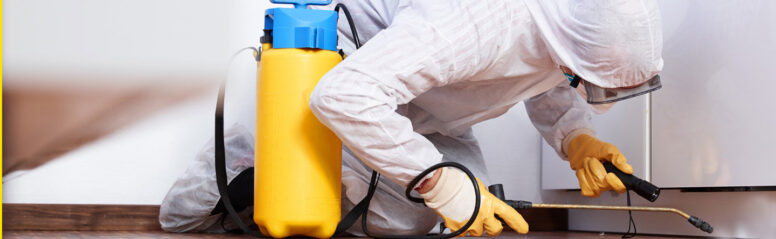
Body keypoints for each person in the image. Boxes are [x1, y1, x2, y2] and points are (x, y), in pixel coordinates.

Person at [160, 0, 663, 237]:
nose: (576, 79)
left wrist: (576, 138)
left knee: (466, 215)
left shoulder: (561, 28)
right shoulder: (479, 21)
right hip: (355, 72)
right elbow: (345, 94)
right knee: (419, 213)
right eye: (582, 74)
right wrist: (440, 184)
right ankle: (263, 160)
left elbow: (548, 73)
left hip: (435, 102)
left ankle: (320, 179)